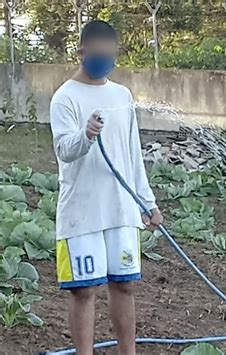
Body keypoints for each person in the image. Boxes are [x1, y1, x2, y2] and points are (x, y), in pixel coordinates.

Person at [50, 20, 163, 355]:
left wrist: (147, 202)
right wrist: (85, 135)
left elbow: (132, 153)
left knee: (125, 284)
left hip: (121, 207)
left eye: (110, 54)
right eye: (98, 54)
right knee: (84, 291)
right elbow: (63, 151)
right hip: (81, 212)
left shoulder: (122, 95)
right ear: (81, 52)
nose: (104, 60)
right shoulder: (64, 98)